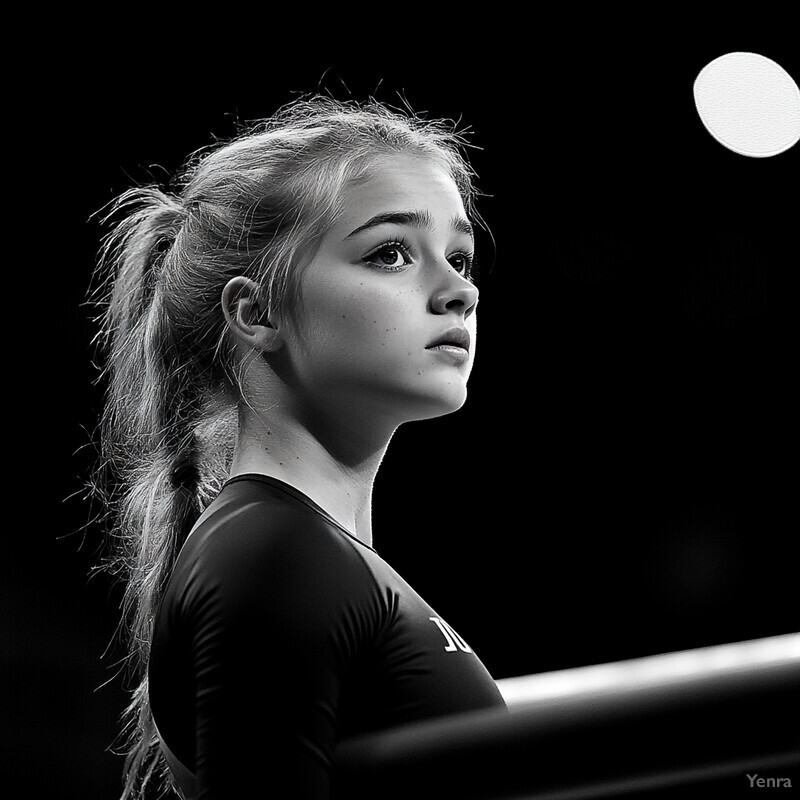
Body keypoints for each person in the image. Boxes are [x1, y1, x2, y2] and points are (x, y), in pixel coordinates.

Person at [91, 95, 506, 800]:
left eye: (459, 256)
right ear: (257, 313)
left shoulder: (294, 550)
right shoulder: (275, 554)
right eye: (391, 253)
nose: (458, 290)